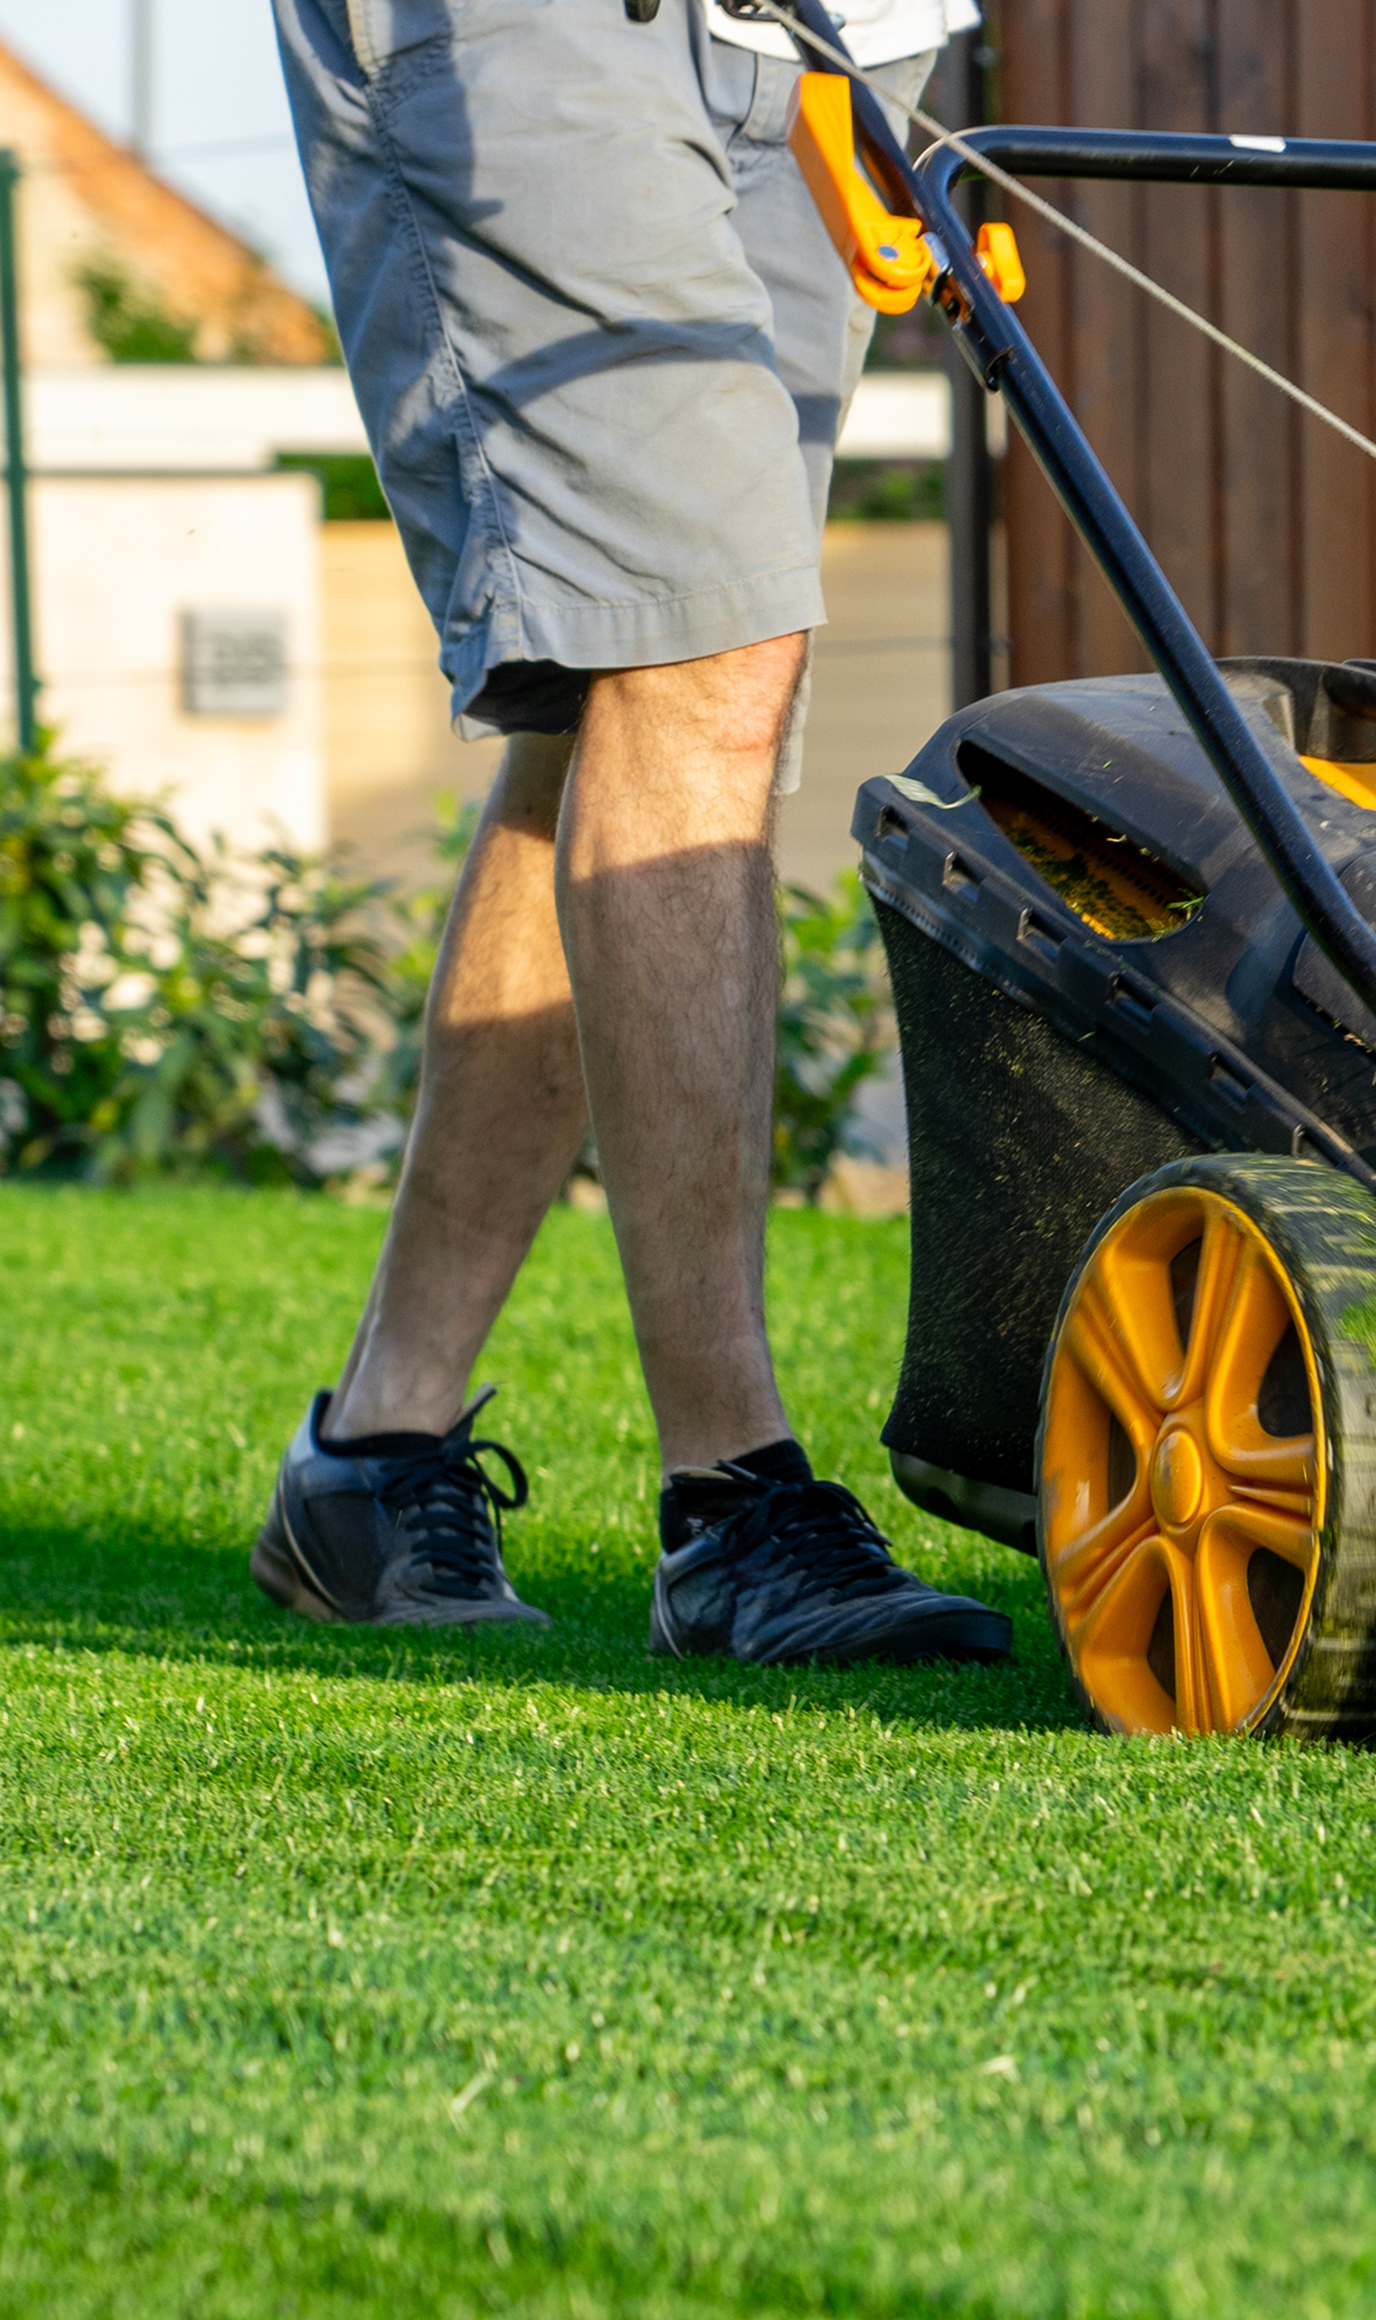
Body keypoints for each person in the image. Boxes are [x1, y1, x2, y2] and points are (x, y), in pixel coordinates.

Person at [250, 0, 1007, 1666]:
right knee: (695, 654)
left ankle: (373, 1459)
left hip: (840, 36)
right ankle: (730, 1501)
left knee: (634, 673)